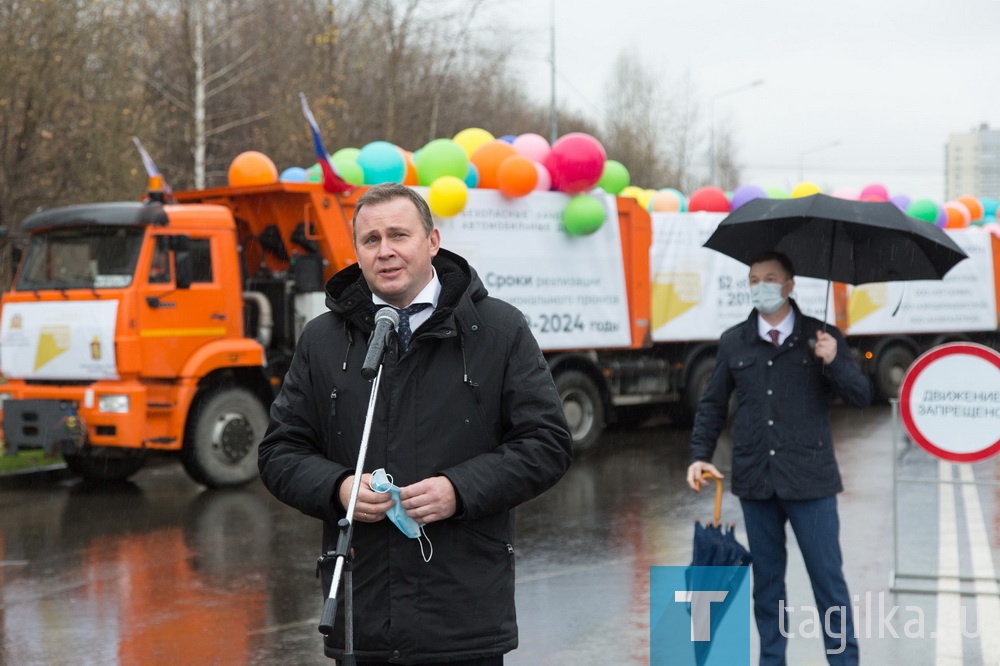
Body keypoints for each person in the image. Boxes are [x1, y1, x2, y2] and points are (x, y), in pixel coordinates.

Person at [258, 182, 572, 666]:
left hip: (462, 618)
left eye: (399, 235)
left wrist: (460, 489)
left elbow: (547, 443)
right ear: (357, 252)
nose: (385, 251)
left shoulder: (498, 330)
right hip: (361, 620)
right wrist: (339, 488)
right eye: (371, 239)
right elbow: (280, 452)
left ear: (432, 242)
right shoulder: (322, 339)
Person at [685, 251, 872, 666]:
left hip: (812, 482)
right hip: (756, 481)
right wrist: (699, 455)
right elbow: (713, 405)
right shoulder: (735, 340)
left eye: (769, 278)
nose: (760, 286)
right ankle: (773, 660)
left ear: (790, 286)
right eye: (753, 279)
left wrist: (835, 361)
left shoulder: (821, 337)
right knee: (767, 588)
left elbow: (861, 395)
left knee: (829, 585)